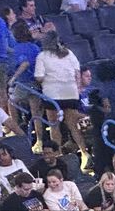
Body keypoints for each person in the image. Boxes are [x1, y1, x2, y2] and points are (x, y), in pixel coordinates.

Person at [35, 32, 90, 172]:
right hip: (71, 93)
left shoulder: (42, 56)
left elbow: (39, 77)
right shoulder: (69, 53)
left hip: (52, 94)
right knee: (72, 125)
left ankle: (57, 154)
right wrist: (77, 88)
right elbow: (78, 72)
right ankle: (85, 153)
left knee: (54, 125)